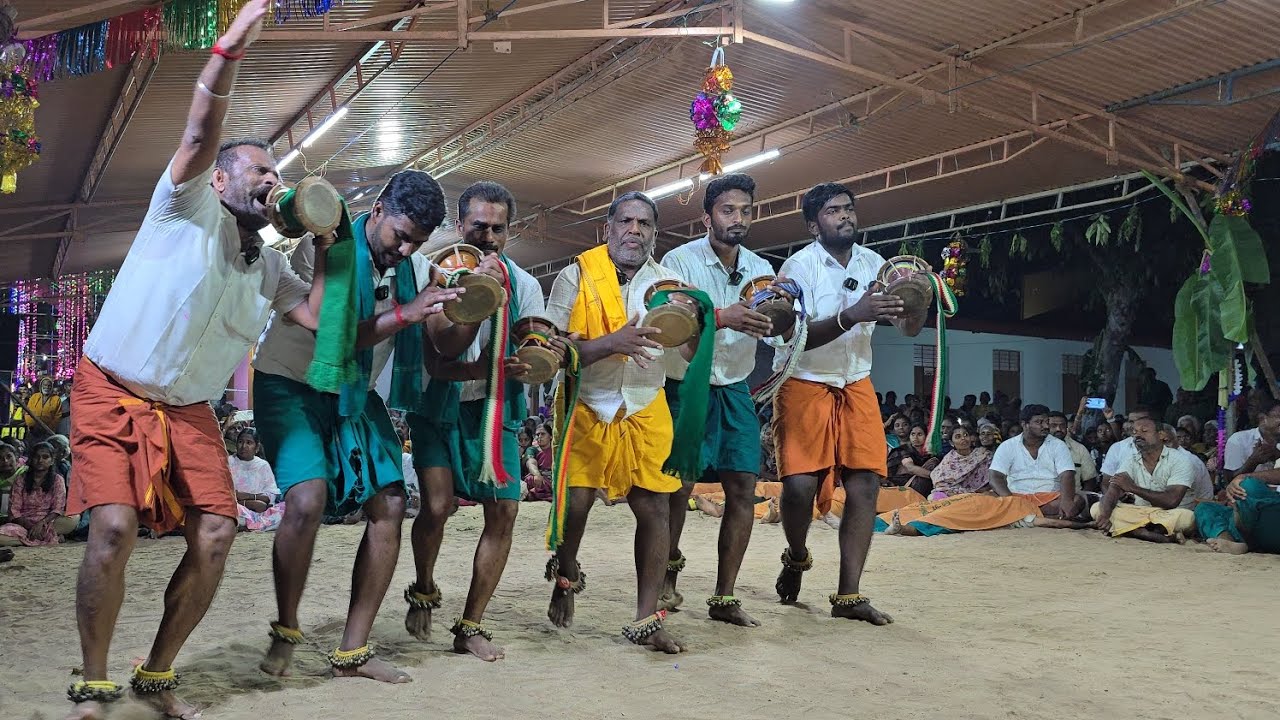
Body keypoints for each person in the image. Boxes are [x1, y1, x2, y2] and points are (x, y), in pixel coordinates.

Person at [63, 4, 333, 717]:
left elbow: (315, 316)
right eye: (256, 171)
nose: (270, 182)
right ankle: (93, 683)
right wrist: (229, 49)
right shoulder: (182, 208)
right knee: (114, 528)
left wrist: (326, 240)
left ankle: (156, 674)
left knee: (217, 532)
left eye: (278, 174)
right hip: (111, 387)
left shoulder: (270, 266)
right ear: (219, 182)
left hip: (187, 410)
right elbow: (200, 125)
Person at [254, 169, 463, 682]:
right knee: (307, 499)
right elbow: (335, 332)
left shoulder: (413, 271)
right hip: (291, 382)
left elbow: (437, 339)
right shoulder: (322, 245)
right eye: (400, 234)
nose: (405, 248)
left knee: (391, 501)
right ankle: (286, 627)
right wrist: (407, 314)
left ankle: (353, 650)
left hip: (354, 392)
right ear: (380, 206)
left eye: (417, 241)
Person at [403, 181, 558, 661]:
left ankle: (472, 624)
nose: (489, 236)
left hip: (495, 409)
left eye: (498, 228)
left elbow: (535, 343)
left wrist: (537, 355)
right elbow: (442, 351)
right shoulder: (434, 273)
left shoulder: (526, 284)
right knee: (435, 506)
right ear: (458, 225)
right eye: (478, 226)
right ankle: (425, 588)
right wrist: (478, 292)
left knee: (505, 510)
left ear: (509, 231)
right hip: (438, 403)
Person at [543, 191, 696, 652]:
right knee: (576, 507)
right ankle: (566, 575)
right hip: (587, 402)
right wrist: (613, 342)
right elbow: (554, 354)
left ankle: (647, 618)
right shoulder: (575, 277)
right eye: (626, 221)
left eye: (645, 223)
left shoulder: (670, 284)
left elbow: (686, 350)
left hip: (645, 404)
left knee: (655, 510)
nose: (635, 230)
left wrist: (702, 327)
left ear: (654, 233)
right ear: (606, 228)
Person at [769, 182, 899, 625]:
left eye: (848, 208)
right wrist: (853, 314)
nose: (844, 216)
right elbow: (795, 337)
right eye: (832, 211)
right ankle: (798, 554)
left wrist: (919, 295)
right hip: (804, 378)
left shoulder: (877, 265)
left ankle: (849, 595)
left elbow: (910, 327)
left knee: (866, 484)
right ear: (813, 225)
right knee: (800, 488)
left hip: (856, 380)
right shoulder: (798, 267)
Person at [656, 173, 775, 627]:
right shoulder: (679, 261)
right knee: (678, 486)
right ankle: (666, 570)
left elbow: (776, 323)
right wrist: (723, 318)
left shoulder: (760, 269)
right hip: (686, 385)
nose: (738, 218)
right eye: (729, 210)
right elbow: (675, 323)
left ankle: (725, 597)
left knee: (743, 488)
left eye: (746, 210)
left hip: (736, 387)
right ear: (707, 216)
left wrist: (780, 322)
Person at [1090, 417, 1197, 543]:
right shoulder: (1131, 460)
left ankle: (1132, 530)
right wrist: (1104, 516)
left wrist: (1133, 488)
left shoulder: (1180, 460)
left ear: (1161, 435)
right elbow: (1113, 490)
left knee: (1187, 518)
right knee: (1097, 508)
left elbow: (1171, 501)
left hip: (1168, 514)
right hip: (1139, 512)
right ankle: (1145, 532)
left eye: (1144, 431)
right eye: (1134, 432)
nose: (1138, 435)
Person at [988, 404, 1082, 519]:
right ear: (1024, 424)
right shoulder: (1007, 446)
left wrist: (1066, 500)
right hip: (1016, 496)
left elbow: (1067, 474)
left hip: (1049, 499)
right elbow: (995, 477)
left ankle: (1024, 516)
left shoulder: (1058, 445)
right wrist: (1011, 501)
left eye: (1047, 422)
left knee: (1077, 500)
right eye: (1039, 422)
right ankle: (1038, 517)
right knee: (986, 498)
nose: (1045, 426)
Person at [0, 442, 78, 546]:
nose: (40, 460)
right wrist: (31, 526)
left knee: (74, 517)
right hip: (23, 524)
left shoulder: (57, 480)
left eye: (45, 457)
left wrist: (41, 524)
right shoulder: (21, 479)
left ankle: (28, 539)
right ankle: (47, 537)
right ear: (31, 459)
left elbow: (58, 508)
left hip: (48, 522)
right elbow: (14, 510)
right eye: (36, 457)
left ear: (52, 461)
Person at [1194, 472, 1280, 555]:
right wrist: (1232, 498)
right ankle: (1227, 540)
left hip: (1269, 520)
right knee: (1203, 508)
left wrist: (1243, 477)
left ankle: (1249, 542)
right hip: (1250, 520)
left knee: (1246, 484)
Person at [227, 428, 283, 532]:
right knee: (227, 508)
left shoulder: (263, 465)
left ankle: (248, 524)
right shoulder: (228, 462)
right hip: (238, 508)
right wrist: (247, 503)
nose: (244, 446)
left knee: (288, 508)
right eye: (240, 442)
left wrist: (251, 497)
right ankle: (255, 524)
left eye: (249, 443)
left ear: (256, 447)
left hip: (260, 511)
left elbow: (271, 494)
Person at [1222, 396, 1280, 480]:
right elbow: (1230, 480)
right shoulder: (1239, 440)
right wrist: (1253, 461)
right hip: (1248, 492)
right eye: (1279, 416)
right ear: (1263, 419)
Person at [929, 425, 992, 497]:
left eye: (965, 435)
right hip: (952, 495)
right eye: (958, 437)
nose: (963, 438)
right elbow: (940, 483)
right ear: (951, 443)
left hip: (980, 494)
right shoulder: (949, 459)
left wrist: (982, 491)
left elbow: (994, 478)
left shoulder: (983, 455)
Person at [1048, 411, 1098, 492]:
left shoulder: (1079, 448)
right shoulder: (1038, 447)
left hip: (1073, 497)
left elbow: (1090, 480)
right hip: (1044, 497)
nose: (1058, 429)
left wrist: (1082, 498)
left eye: (1062, 425)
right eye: (1053, 426)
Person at [883, 424, 936, 496]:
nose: (915, 437)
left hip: (914, 486)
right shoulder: (903, 450)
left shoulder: (928, 454)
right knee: (932, 463)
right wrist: (936, 476)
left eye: (919, 434)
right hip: (898, 487)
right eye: (913, 434)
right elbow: (910, 468)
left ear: (927, 437)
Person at [24, 376, 64, 446]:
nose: (47, 387)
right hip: (33, 431)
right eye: (45, 385)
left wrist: (48, 428)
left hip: (48, 432)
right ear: (41, 386)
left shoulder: (56, 399)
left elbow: (57, 416)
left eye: (49, 385)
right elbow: (28, 412)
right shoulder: (34, 397)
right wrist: (32, 426)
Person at [524, 423, 554, 502]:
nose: (539, 437)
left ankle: (536, 494)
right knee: (530, 479)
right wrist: (537, 475)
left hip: (553, 477)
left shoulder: (555, 449)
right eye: (537, 434)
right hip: (539, 476)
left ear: (550, 436)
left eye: (543, 434)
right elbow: (531, 462)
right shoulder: (532, 449)